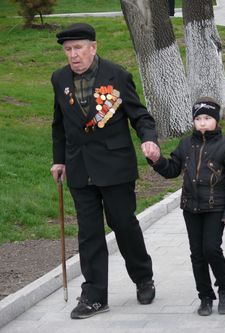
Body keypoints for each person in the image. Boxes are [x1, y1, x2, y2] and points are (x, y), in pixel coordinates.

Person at [50, 22, 161, 319]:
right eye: (68, 49)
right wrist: (58, 160)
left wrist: (149, 139)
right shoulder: (59, 78)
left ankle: (143, 277)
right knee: (89, 233)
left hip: (115, 167)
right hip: (79, 168)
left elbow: (140, 115)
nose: (73, 55)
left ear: (93, 47)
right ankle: (95, 296)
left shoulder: (117, 76)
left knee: (123, 225)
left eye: (78, 48)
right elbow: (59, 124)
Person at [146, 97, 225, 316]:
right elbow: (172, 170)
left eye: (207, 118)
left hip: (215, 207)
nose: (202, 123)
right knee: (197, 254)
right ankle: (205, 296)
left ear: (216, 120)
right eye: (198, 118)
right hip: (191, 208)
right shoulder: (186, 144)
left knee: (211, 249)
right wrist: (156, 160)